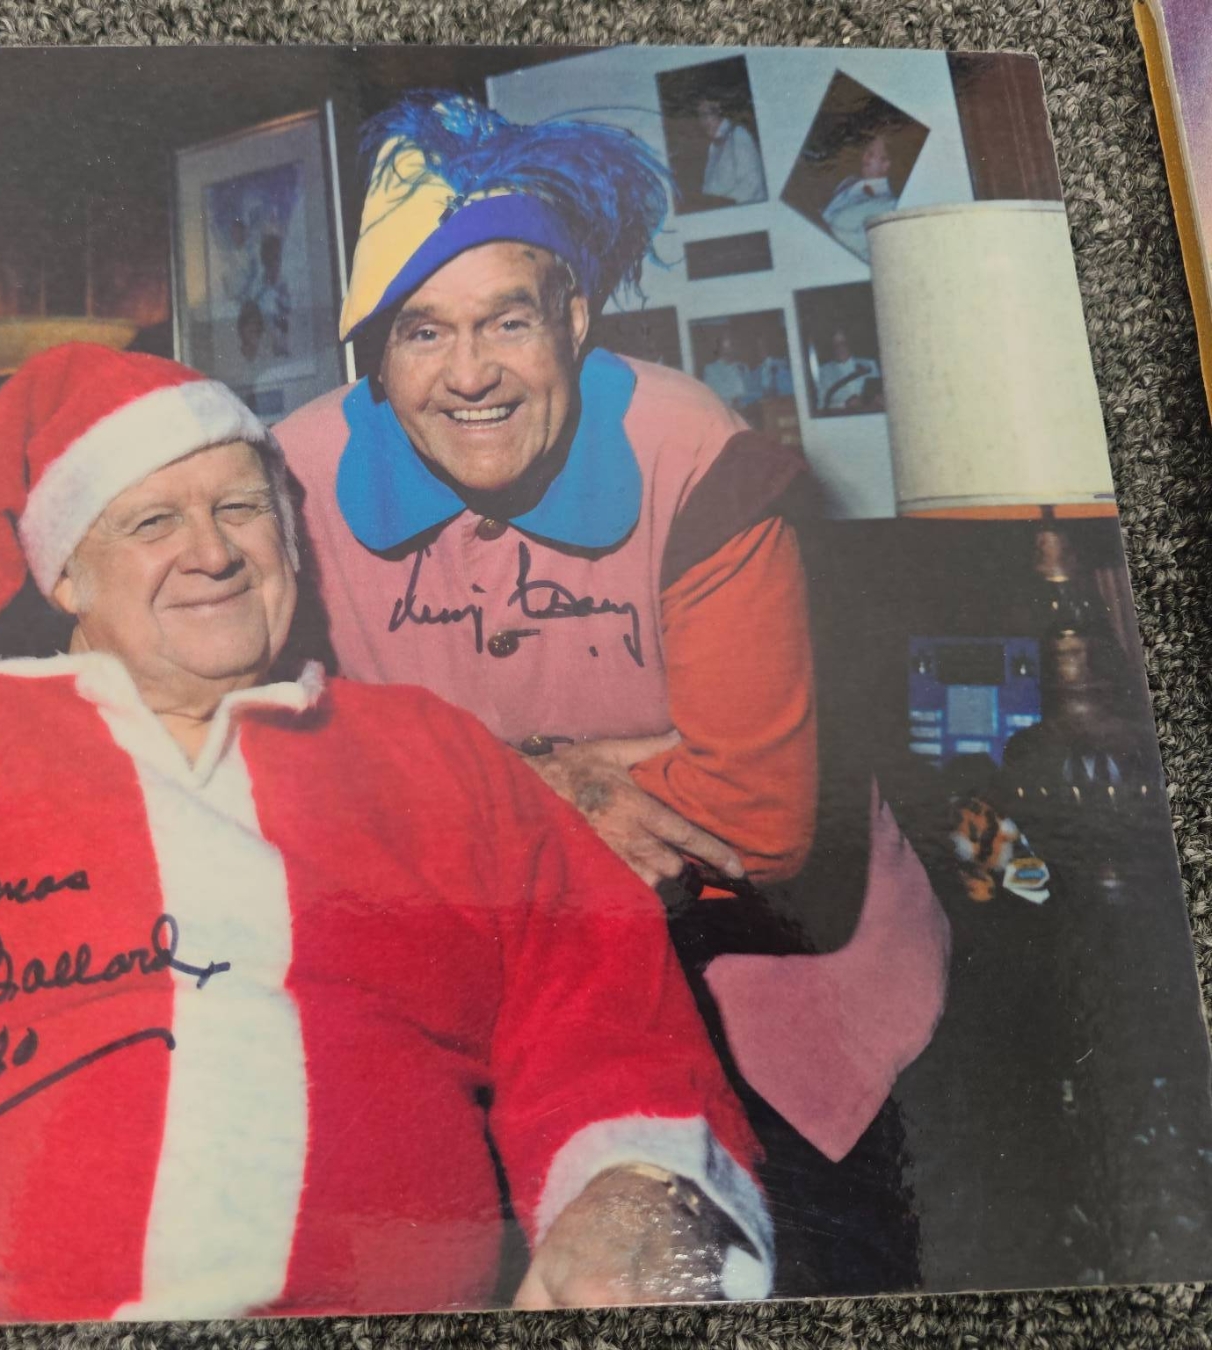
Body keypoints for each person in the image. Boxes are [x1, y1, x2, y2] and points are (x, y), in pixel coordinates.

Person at [0, 343, 773, 1329]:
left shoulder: (428, 749)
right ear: (67, 576)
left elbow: (599, 1000)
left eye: (240, 510)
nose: (213, 553)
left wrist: (640, 1192)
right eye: (153, 522)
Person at [272, 92, 949, 1294]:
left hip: (754, 961)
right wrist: (551, 774)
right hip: (478, 978)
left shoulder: (690, 450)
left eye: (509, 321)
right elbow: (283, 794)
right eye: (422, 333)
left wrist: (435, 798)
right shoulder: (291, 476)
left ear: (574, 319)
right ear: (373, 351)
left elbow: (754, 817)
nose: (470, 375)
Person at [821, 133, 899, 260]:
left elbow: (850, 245)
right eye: (866, 152)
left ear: (886, 164)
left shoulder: (888, 205)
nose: (864, 157)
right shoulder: (848, 181)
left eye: (871, 154)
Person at [696, 96, 766, 206]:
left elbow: (752, 185)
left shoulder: (739, 135)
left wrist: (722, 206)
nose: (703, 122)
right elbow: (709, 188)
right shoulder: (713, 147)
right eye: (700, 116)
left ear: (719, 112)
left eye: (706, 115)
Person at [815, 327, 882, 412]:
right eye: (835, 345)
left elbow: (878, 394)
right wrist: (844, 404)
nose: (839, 348)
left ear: (849, 344)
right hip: (841, 417)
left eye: (843, 343)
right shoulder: (824, 371)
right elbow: (821, 406)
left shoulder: (868, 365)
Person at [700, 330, 754, 409]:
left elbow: (750, 389)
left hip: (748, 408)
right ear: (718, 350)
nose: (728, 351)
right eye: (724, 348)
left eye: (730, 347)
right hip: (724, 409)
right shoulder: (710, 369)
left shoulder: (742, 366)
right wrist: (733, 400)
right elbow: (713, 393)